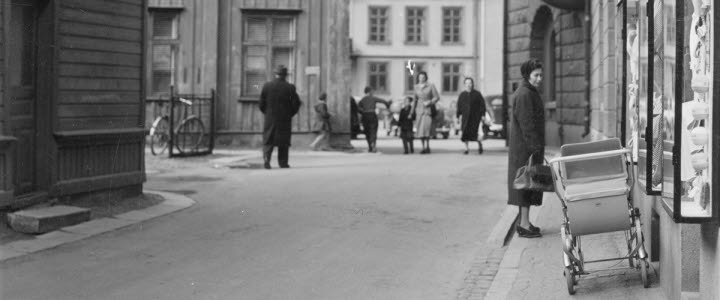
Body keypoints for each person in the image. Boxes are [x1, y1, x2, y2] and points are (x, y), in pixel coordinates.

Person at [507, 59, 545, 238]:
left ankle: (525, 222)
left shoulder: (527, 92)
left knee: (528, 185)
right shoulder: (524, 94)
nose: (539, 79)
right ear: (527, 75)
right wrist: (535, 148)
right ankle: (523, 224)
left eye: (541, 75)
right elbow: (527, 125)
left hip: (526, 148)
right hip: (525, 149)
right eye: (536, 75)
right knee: (525, 185)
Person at [259, 65, 302, 169]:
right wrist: (290, 113)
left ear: (275, 74)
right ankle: (283, 163)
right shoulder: (290, 88)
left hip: (270, 118)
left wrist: (267, 113)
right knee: (283, 141)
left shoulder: (267, 86)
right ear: (285, 75)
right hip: (284, 118)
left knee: (268, 139)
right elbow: (296, 103)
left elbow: (261, 104)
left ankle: (266, 159)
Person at [456, 77, 488, 155]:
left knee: (475, 132)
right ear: (464, 84)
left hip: (475, 117)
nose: (469, 85)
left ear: (472, 84)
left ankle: (480, 145)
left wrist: (483, 115)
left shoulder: (477, 94)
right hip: (465, 117)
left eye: (470, 83)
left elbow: (482, 105)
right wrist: (458, 116)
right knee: (465, 132)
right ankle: (466, 148)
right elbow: (459, 106)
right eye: (467, 83)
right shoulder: (462, 95)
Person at [413, 71, 440, 154]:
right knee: (420, 130)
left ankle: (428, 146)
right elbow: (415, 99)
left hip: (428, 110)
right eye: (420, 77)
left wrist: (430, 102)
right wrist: (412, 111)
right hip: (419, 110)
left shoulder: (431, 86)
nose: (421, 78)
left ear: (426, 78)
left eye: (423, 77)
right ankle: (423, 147)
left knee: (426, 129)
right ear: (418, 78)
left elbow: (437, 97)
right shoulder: (416, 87)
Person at [358, 86, 391, 152]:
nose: (373, 92)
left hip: (365, 116)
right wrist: (388, 104)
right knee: (373, 130)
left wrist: (363, 112)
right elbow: (382, 101)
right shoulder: (373, 98)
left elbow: (358, 108)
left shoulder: (362, 100)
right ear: (369, 92)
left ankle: (370, 146)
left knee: (367, 132)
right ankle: (373, 144)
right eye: (372, 91)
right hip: (372, 115)